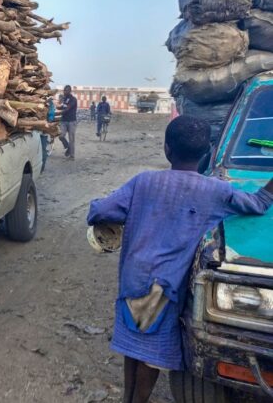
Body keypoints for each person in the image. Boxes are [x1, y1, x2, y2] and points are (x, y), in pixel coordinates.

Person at [87, 116, 273, 403]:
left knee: (134, 342)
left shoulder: (143, 182)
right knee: (151, 353)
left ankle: (128, 398)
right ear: (206, 154)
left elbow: (101, 211)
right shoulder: (217, 191)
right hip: (166, 287)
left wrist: (103, 214)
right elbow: (259, 203)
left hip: (133, 279)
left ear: (167, 149)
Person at [58, 85, 78, 159]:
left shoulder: (73, 99)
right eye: (64, 90)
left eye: (66, 90)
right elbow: (59, 106)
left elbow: (68, 108)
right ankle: (67, 146)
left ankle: (72, 156)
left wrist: (59, 112)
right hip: (63, 121)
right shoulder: (63, 99)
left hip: (72, 121)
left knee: (71, 139)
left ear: (70, 91)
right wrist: (58, 103)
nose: (64, 92)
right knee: (61, 136)